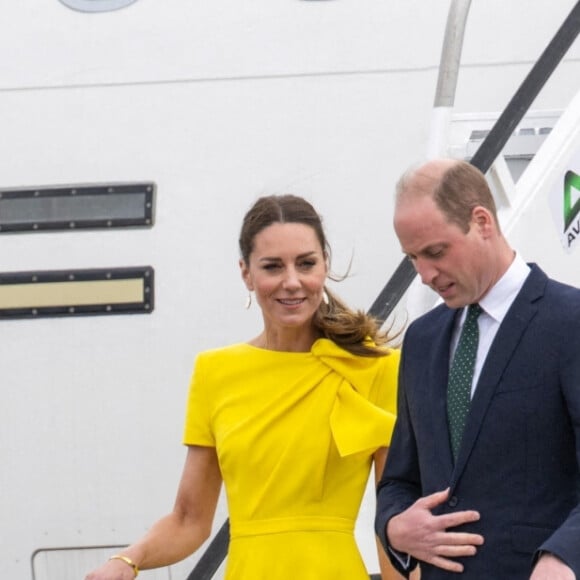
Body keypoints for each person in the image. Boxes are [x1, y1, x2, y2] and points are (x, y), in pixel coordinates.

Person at [86, 194, 403, 580]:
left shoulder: (377, 368)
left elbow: (396, 522)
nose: (292, 282)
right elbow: (188, 520)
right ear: (246, 273)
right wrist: (126, 561)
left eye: (306, 263)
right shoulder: (215, 373)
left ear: (325, 264)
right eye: (272, 267)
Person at [374, 158, 580, 580]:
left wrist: (564, 556)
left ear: (482, 221)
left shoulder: (570, 322)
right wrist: (396, 526)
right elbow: (398, 481)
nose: (425, 274)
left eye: (435, 252)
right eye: (412, 257)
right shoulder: (422, 340)